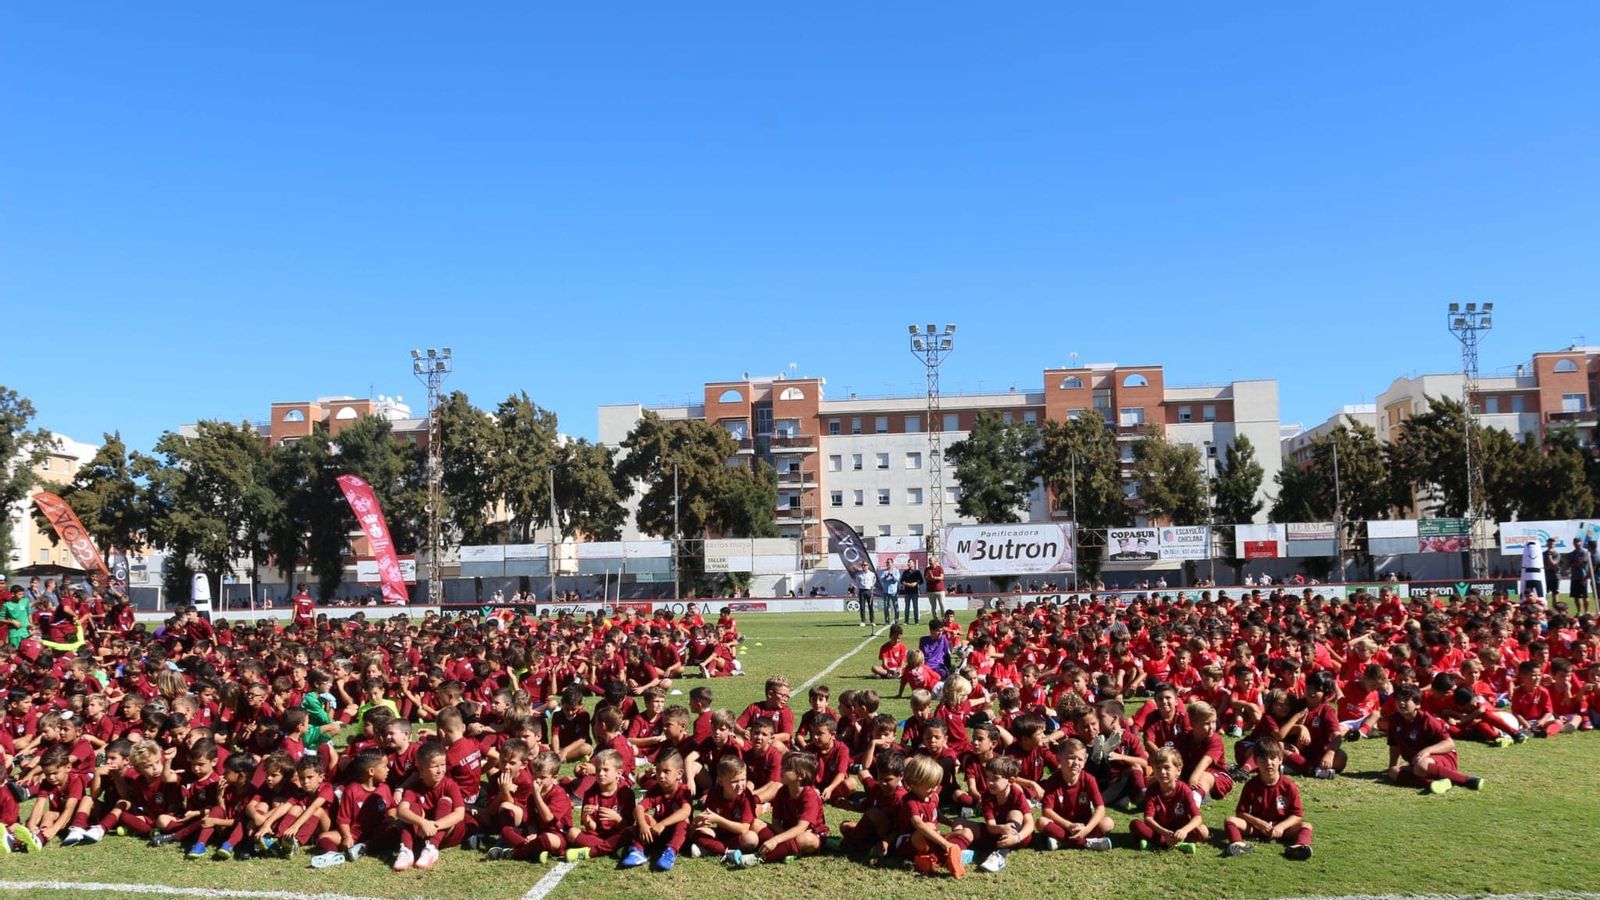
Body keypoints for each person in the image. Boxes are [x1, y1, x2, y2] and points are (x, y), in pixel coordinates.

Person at [1224, 738, 1313, 860]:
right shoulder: (1251, 785)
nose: (1268, 763)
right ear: (1256, 761)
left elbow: (1297, 815)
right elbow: (1240, 812)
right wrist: (1259, 823)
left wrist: (1281, 827)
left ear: (1280, 760)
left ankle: (1299, 847)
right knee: (1230, 820)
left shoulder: (1288, 785)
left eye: (1272, 758)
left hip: (1282, 830)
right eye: (1263, 759)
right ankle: (1238, 845)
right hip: (1257, 828)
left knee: (1306, 826)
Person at [1386, 684, 1484, 794]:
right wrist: (1392, 765)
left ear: (1417, 704)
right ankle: (1434, 783)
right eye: (1398, 700)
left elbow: (1449, 744)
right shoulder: (1394, 720)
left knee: (1421, 765)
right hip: (1418, 763)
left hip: (1443, 758)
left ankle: (1466, 780)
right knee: (1394, 772)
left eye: (1405, 700)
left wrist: (1427, 751)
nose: (1401, 703)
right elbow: (1394, 745)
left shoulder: (1427, 720)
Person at [1568, 536, 1592, 615]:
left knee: (1585, 596)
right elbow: (1568, 565)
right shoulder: (1571, 553)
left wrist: (1573, 563)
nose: (1577, 543)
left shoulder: (1585, 552)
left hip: (1582, 577)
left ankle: (1587, 612)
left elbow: (1581, 563)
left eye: (1578, 541)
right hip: (1574, 577)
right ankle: (1579, 612)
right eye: (1575, 542)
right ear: (1573, 543)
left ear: (1581, 542)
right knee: (1576, 596)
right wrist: (1574, 563)